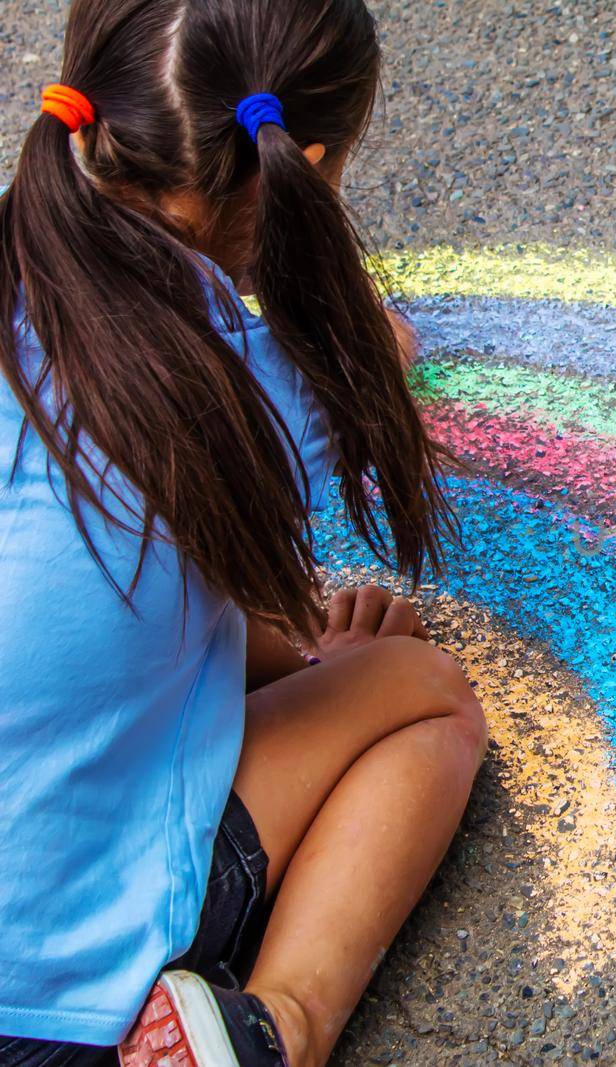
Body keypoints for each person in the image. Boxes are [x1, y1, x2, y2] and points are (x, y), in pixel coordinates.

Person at [0, 2, 488, 1064]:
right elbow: (380, 356)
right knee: (419, 693)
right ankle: (280, 1026)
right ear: (298, 168)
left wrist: (291, 650)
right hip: (41, 1006)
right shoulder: (235, 401)